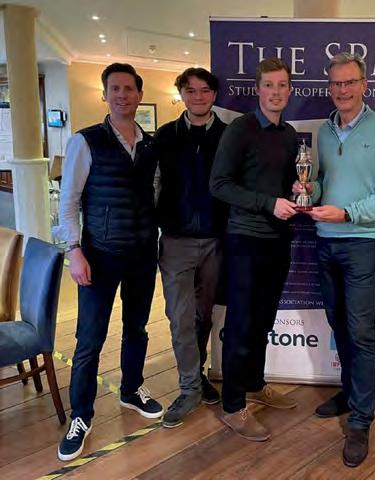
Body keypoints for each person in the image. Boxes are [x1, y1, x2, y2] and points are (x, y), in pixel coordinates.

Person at [56, 63, 163, 462]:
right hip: (99, 255)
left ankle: (131, 389)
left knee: (137, 329)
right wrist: (74, 251)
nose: (122, 95)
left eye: (129, 88)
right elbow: (69, 202)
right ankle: (80, 416)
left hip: (142, 253)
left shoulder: (150, 144)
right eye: (114, 88)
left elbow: (155, 194)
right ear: (105, 95)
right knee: (89, 340)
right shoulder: (85, 141)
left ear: (139, 95)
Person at [303, 52, 375, 467]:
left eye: (350, 82)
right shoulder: (323, 132)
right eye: (336, 83)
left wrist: (347, 213)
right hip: (325, 241)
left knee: (361, 332)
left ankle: (361, 420)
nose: (342, 90)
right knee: (339, 324)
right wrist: (307, 191)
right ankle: (349, 393)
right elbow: (321, 182)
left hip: (364, 242)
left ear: (364, 85)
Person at [209, 57, 299, 442]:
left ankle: (255, 384)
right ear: (258, 89)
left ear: (289, 90)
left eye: (282, 86)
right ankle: (233, 405)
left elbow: (286, 182)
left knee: (263, 320)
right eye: (269, 85)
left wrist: (298, 189)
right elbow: (219, 184)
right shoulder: (240, 130)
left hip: (278, 240)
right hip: (245, 240)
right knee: (242, 324)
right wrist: (268, 203)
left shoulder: (289, 134)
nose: (275, 92)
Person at [154, 68, 227, 428]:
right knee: (180, 317)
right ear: (182, 94)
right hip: (176, 242)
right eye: (191, 91)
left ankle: (197, 377)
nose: (198, 97)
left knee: (204, 316)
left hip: (216, 241)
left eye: (205, 90)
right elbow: (152, 184)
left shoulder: (228, 136)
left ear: (214, 94)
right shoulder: (165, 136)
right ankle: (189, 389)